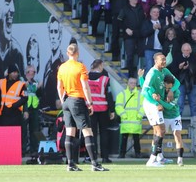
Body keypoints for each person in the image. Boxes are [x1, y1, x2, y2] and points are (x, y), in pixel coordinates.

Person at [57, 43, 108, 171]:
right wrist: (90, 103)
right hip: (77, 101)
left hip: (67, 100)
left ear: (68, 53)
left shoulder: (62, 68)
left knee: (70, 132)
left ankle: (70, 164)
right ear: (77, 53)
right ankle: (95, 164)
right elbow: (85, 87)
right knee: (87, 131)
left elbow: (59, 86)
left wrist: (63, 99)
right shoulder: (80, 67)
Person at [141, 52, 180, 167]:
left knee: (158, 131)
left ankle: (159, 157)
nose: (164, 61)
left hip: (157, 103)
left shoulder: (165, 71)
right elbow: (144, 91)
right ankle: (151, 160)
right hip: (151, 104)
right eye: (161, 60)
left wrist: (172, 90)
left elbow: (177, 82)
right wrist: (155, 103)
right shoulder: (152, 73)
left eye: (164, 59)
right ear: (155, 61)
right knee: (161, 130)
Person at [88, 59, 115, 163]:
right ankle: (105, 157)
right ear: (100, 66)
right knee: (104, 133)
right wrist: (111, 110)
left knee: (91, 134)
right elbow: (109, 95)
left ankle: (92, 157)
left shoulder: (86, 77)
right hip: (103, 109)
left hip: (90, 109)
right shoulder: (105, 79)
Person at [156, 75, 184, 166]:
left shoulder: (177, 92)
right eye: (167, 88)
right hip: (165, 117)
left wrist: (160, 101)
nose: (168, 90)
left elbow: (169, 106)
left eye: (170, 88)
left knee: (177, 134)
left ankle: (180, 159)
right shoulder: (161, 90)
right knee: (159, 135)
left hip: (175, 116)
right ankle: (158, 156)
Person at [115, 75, 144, 159]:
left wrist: (139, 115)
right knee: (124, 139)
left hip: (135, 120)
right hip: (126, 120)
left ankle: (137, 153)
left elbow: (143, 106)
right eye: (131, 83)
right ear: (128, 83)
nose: (133, 84)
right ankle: (122, 154)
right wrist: (123, 115)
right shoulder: (122, 94)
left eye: (134, 83)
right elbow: (118, 106)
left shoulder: (140, 95)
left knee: (136, 139)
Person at [42, 16, 65, 110]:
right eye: (51, 32)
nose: (53, 36)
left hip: (57, 106)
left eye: (56, 31)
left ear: (60, 35)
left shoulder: (63, 62)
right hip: (46, 108)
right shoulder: (48, 64)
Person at [22, 65, 42, 157]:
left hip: (34, 109)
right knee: (23, 131)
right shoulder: (22, 81)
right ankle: (23, 150)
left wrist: (39, 88)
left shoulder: (36, 82)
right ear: (26, 72)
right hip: (24, 108)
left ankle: (34, 150)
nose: (31, 74)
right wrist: (25, 109)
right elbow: (23, 94)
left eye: (33, 72)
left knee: (34, 130)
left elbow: (39, 95)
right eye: (30, 71)